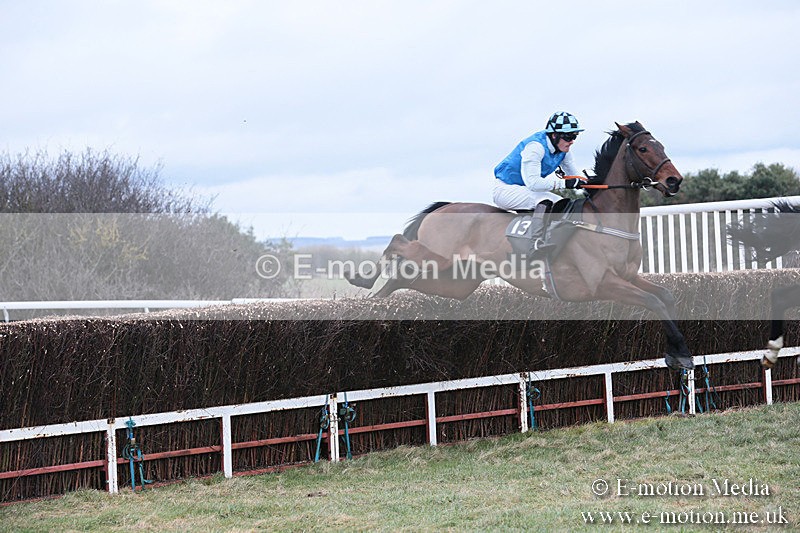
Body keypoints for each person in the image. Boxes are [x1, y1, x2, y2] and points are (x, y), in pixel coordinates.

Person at [493, 111, 587, 259]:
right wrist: (565, 183)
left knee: (563, 203)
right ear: (554, 135)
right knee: (546, 200)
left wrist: (592, 183)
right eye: (568, 137)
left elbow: (576, 176)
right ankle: (535, 244)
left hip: (525, 190)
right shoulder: (535, 147)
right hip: (505, 190)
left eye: (575, 136)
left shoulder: (563, 151)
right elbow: (534, 183)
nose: (572, 141)